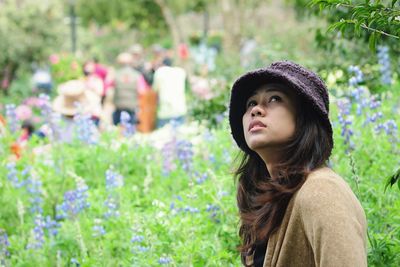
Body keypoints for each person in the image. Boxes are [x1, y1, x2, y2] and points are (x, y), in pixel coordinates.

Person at [228, 61, 367, 267]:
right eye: (251, 103)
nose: (256, 109)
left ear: (304, 117)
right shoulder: (271, 199)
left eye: (275, 98)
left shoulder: (322, 191)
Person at [152, 58, 187, 128]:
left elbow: (154, 89)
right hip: (180, 108)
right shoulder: (181, 72)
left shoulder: (160, 72)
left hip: (165, 109)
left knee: (163, 135)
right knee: (179, 135)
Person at [112, 52, 141, 126]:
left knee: (117, 131)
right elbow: (142, 91)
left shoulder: (115, 74)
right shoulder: (137, 75)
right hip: (132, 107)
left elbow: (108, 88)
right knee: (130, 131)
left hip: (119, 106)